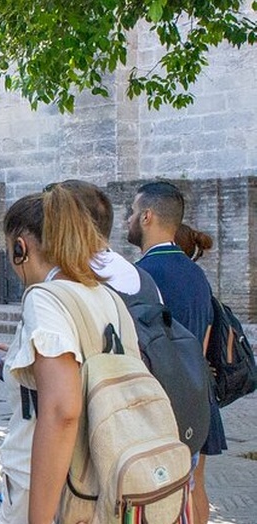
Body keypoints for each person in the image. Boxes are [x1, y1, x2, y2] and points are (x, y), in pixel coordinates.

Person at [0, 185, 134, 523]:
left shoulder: (44, 298)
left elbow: (61, 410)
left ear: (19, 247)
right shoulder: (106, 296)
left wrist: (38, 517)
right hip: (103, 477)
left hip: (51, 486)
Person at [126, 181, 224, 524]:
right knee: (195, 486)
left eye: (132, 212)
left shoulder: (140, 277)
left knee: (154, 495)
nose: (128, 220)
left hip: (160, 405)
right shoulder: (198, 275)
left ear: (148, 216)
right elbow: (207, 336)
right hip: (199, 397)